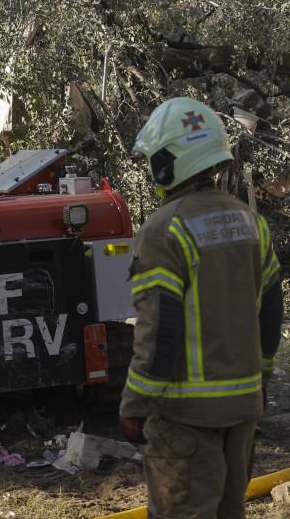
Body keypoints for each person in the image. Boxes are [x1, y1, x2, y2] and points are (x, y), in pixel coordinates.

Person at [121, 97, 283, 519]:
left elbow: (160, 330)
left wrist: (134, 405)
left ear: (167, 162)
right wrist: (259, 381)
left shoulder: (164, 229)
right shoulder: (252, 222)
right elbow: (271, 311)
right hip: (242, 411)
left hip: (185, 417)